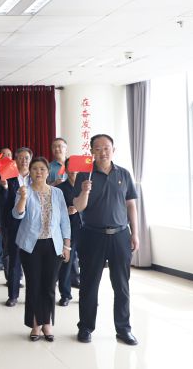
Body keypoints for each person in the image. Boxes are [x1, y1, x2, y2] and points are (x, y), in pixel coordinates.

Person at [73, 134, 139, 346]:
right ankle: (85, 327)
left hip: (120, 235)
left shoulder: (124, 174)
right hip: (92, 235)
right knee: (89, 284)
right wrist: (84, 191)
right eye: (98, 148)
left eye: (106, 147)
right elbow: (78, 207)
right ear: (92, 151)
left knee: (122, 285)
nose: (103, 152)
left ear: (113, 149)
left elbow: (131, 205)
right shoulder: (85, 174)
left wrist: (135, 233)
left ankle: (124, 329)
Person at [13, 157, 71, 342]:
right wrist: (23, 198)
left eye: (42, 169)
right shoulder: (24, 190)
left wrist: (67, 245)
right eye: (35, 169)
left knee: (49, 285)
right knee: (34, 285)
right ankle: (35, 324)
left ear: (48, 172)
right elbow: (17, 214)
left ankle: (47, 322)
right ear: (30, 172)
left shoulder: (57, 193)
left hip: (53, 245)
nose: (39, 172)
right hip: (31, 245)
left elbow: (64, 220)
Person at [3, 147, 32, 307]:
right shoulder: (9, 178)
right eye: (20, 157)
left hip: (33, 226)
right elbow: (4, 202)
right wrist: (4, 188)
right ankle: (13, 296)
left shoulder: (37, 177)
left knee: (33, 262)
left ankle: (33, 295)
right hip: (14, 225)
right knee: (14, 261)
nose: (24, 160)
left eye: (26, 157)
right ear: (15, 160)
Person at [57, 158, 82, 306]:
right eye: (70, 168)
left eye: (76, 168)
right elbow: (54, 212)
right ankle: (65, 295)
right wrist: (66, 211)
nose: (74, 171)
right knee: (66, 263)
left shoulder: (86, 187)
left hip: (86, 230)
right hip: (68, 232)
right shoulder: (60, 189)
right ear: (66, 170)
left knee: (87, 264)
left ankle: (86, 294)